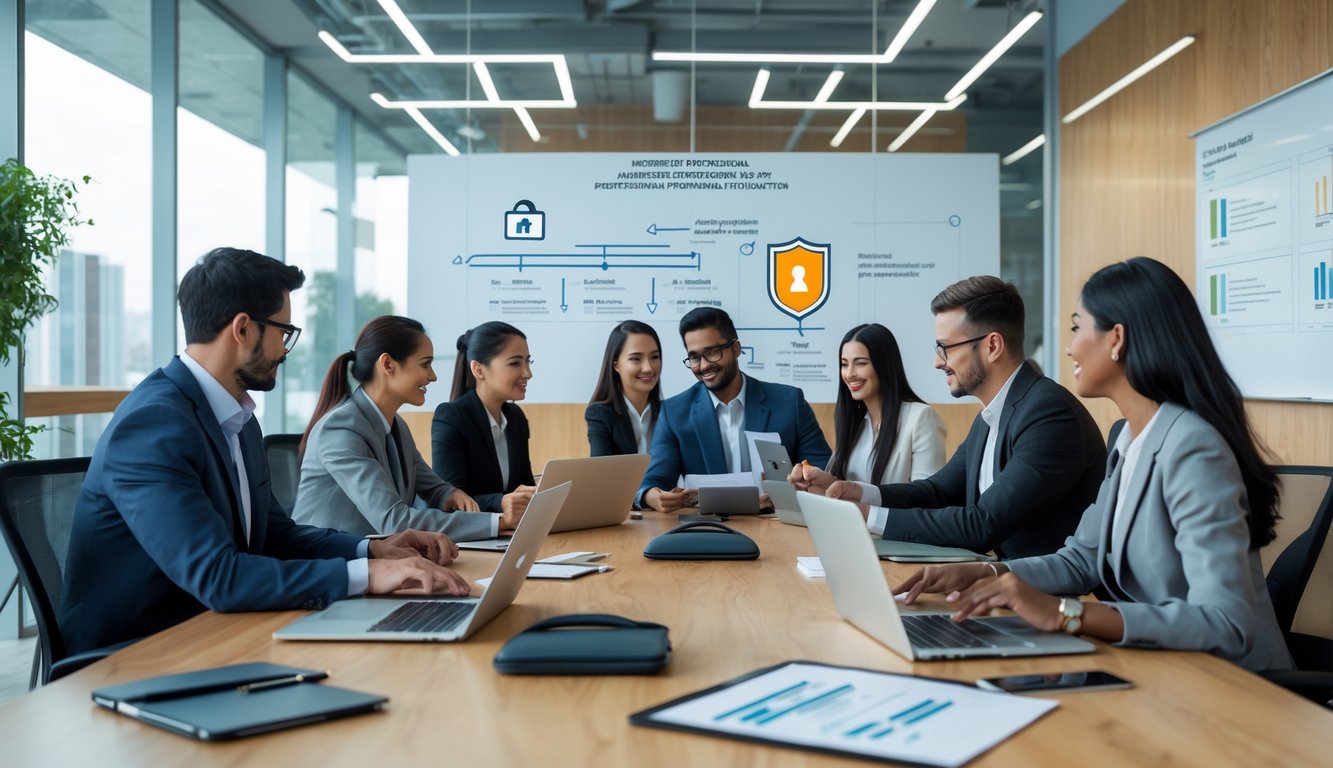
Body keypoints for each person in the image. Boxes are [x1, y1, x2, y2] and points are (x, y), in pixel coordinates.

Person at [58, 248, 468, 656]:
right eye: (283, 332)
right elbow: (218, 575)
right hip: (140, 655)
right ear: (243, 329)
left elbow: (275, 535)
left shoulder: (238, 418)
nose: (285, 350)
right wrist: (368, 574)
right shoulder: (152, 427)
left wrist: (371, 549)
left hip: (218, 631)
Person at [894, 257, 1292, 672]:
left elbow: (1226, 624)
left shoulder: (1192, 447)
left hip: (1234, 687)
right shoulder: (1129, 437)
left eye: (1076, 327)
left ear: (1116, 339)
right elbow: (1080, 560)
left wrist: (1068, 614)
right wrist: (986, 574)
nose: (1069, 346)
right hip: (1161, 666)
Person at [792, 276, 1105, 559]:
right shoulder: (990, 416)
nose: (937, 362)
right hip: (1000, 587)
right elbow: (936, 493)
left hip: (1049, 602)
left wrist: (866, 515)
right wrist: (856, 492)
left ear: (992, 346)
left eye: (945, 348)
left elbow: (983, 523)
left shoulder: (1049, 415)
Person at [293, 315, 521, 541]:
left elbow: (434, 487)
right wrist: (498, 522)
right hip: (327, 562)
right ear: (388, 365)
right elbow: (396, 521)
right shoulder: (341, 429)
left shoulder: (396, 426)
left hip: (376, 557)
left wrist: (449, 493)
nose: (432, 376)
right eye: (425, 364)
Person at [637, 307, 832, 512]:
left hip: (777, 524)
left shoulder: (789, 402)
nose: (703, 366)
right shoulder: (674, 412)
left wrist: (794, 488)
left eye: (712, 352)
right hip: (709, 531)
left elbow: (823, 473)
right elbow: (652, 481)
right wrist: (652, 496)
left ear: (736, 348)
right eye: (694, 357)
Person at [432, 321, 537, 516]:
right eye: (515, 363)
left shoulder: (516, 418)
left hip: (511, 534)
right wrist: (501, 502)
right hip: (471, 538)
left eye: (528, 361)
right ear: (479, 370)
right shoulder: (451, 417)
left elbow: (524, 486)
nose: (527, 373)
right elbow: (449, 500)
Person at [827, 323, 945, 484]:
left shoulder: (920, 417)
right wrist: (818, 483)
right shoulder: (854, 423)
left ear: (883, 365)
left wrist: (866, 502)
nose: (849, 374)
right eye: (844, 364)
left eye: (861, 363)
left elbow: (928, 496)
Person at [585, 319, 663, 456]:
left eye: (655, 357)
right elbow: (601, 472)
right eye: (635, 359)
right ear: (616, 365)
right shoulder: (600, 414)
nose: (648, 368)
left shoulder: (669, 412)